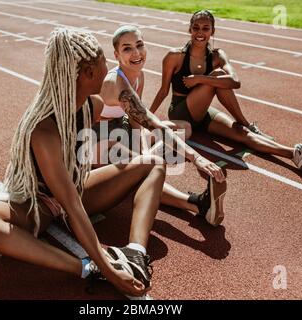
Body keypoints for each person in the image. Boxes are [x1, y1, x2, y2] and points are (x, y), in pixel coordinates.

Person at [0, 28, 167, 297]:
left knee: (153, 162)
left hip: (77, 190)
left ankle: (136, 252)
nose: (109, 67)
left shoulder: (87, 105)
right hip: (40, 206)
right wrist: (106, 268)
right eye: (104, 61)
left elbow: (130, 110)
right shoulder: (44, 128)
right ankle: (84, 268)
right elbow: (70, 204)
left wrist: (168, 135)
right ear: (88, 73)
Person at [150, 10, 302, 171]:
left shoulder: (218, 56)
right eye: (196, 28)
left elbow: (235, 81)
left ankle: (294, 153)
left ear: (213, 31)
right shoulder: (174, 56)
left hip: (203, 115)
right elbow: (163, 91)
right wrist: (146, 119)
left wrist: (199, 79)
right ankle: (247, 124)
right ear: (189, 29)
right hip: (181, 112)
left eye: (205, 28)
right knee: (219, 76)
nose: (200, 33)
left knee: (242, 134)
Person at [92, 25, 227, 227]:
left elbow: (137, 120)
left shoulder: (138, 75)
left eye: (139, 45)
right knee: (147, 167)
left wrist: (145, 152)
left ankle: (150, 158)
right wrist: (195, 157)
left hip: (121, 127)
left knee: (183, 129)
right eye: (127, 49)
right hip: (96, 138)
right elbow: (151, 121)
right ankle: (198, 205)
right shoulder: (114, 83)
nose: (136, 53)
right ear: (117, 55)